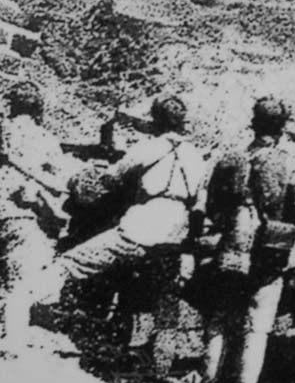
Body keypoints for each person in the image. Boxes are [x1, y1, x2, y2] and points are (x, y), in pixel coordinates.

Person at [27, 96, 209, 316]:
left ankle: (25, 301)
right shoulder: (196, 156)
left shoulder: (149, 147)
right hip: (175, 235)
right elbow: (199, 205)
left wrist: (79, 176)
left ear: (155, 119)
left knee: (71, 262)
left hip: (141, 228)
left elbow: (109, 180)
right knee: (151, 290)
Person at [200, 97, 295, 383]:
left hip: (231, 248)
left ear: (254, 124)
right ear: (281, 128)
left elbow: (213, 207)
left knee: (220, 318)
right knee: (257, 327)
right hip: (270, 254)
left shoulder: (230, 160)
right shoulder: (289, 164)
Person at [0, 82, 71, 350]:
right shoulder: (46, 139)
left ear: (10, 104)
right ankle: (12, 339)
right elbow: (61, 182)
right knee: (17, 280)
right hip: (17, 216)